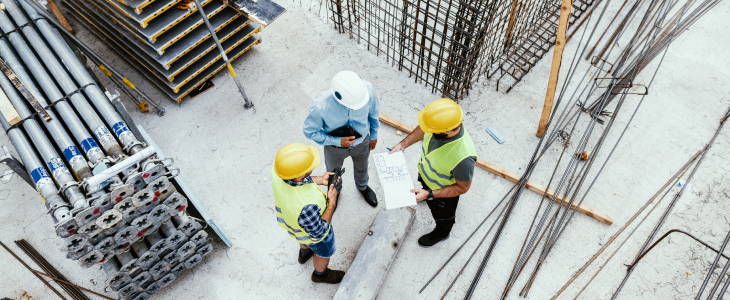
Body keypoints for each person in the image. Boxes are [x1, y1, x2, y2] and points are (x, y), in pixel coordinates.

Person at [388, 98, 477, 247]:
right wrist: (403, 144)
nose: (428, 130)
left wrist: (429, 194)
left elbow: (463, 188)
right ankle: (424, 195)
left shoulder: (463, 158)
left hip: (442, 194)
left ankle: (442, 233)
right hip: (427, 178)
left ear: (446, 130)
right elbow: (423, 129)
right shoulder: (440, 126)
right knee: (423, 191)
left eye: (432, 128)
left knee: (444, 216)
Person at [271, 143, 346, 283]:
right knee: (323, 252)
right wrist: (332, 203)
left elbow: (295, 181)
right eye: (309, 167)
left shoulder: (277, 172)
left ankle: (304, 253)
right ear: (299, 174)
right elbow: (320, 232)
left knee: (303, 239)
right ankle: (320, 274)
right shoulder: (306, 207)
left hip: (293, 225)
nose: (312, 166)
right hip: (316, 235)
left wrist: (318, 180)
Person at [303, 71, 380, 207]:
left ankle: (362, 186)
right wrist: (337, 141)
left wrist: (373, 135)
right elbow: (310, 131)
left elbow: (373, 113)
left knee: (362, 167)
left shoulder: (368, 91)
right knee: (333, 173)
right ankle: (336, 192)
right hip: (334, 149)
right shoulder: (321, 105)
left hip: (362, 143)